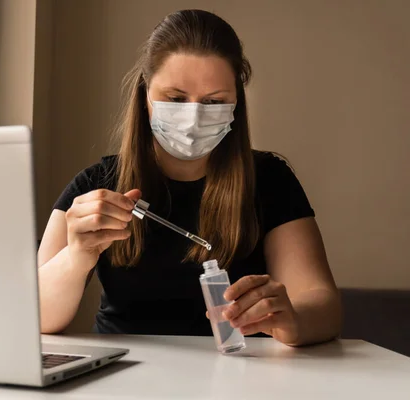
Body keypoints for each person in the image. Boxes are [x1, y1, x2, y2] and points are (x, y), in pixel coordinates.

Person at [37, 9, 341, 346]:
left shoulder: (271, 181)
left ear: (236, 104)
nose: (194, 117)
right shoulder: (96, 186)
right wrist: (76, 257)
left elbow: (322, 304)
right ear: (145, 94)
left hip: (242, 379)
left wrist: (291, 319)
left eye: (213, 102)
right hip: (124, 379)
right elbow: (36, 318)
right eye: (176, 98)